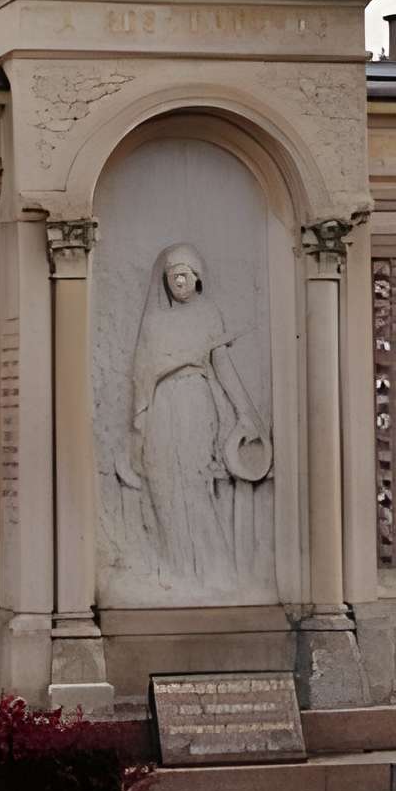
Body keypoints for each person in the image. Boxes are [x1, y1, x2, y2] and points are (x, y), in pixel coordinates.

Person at [116, 241, 271, 590]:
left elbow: (223, 368)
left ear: (197, 277)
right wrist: (139, 421)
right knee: (163, 484)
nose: (179, 283)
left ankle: (214, 571)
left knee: (193, 484)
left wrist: (246, 415)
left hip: (194, 403)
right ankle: (175, 568)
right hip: (161, 407)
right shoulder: (155, 322)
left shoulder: (207, 315)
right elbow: (143, 371)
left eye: (184, 276)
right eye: (173, 277)